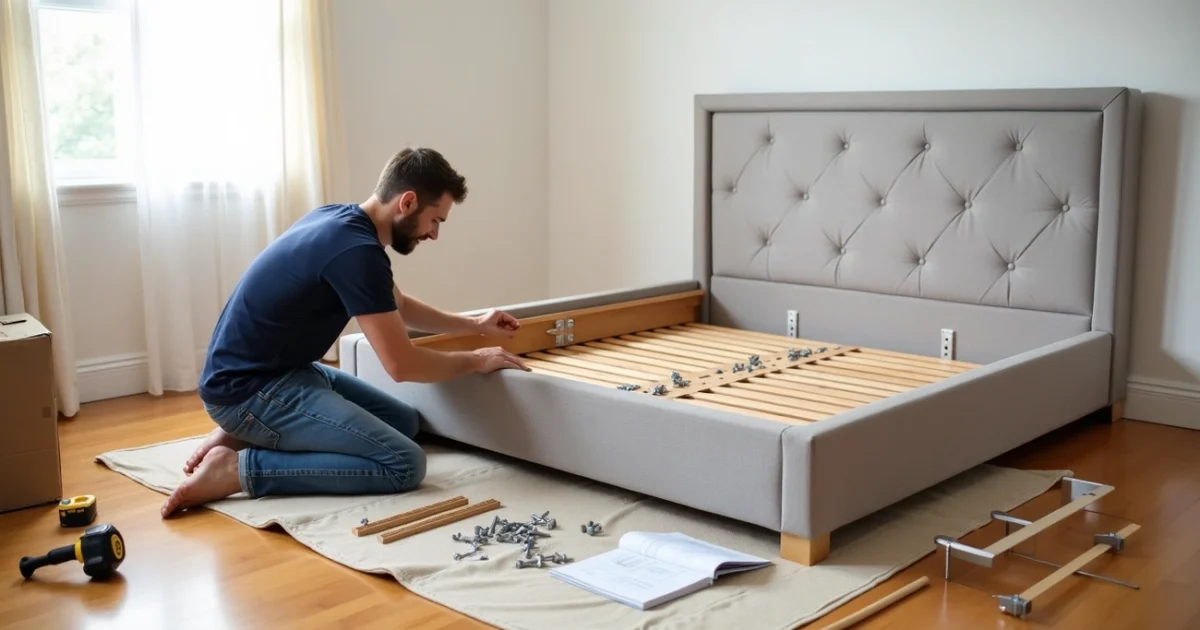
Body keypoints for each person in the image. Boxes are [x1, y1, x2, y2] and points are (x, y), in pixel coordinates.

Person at [161, 147, 529, 518]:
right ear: (407, 202)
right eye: (435, 220)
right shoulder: (356, 252)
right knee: (403, 463)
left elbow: (398, 305)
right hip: (248, 390)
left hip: (280, 372)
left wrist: (475, 324)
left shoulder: (340, 220)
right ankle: (236, 470)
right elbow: (402, 365)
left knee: (405, 422)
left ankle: (242, 432)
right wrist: (476, 361)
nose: (434, 234)